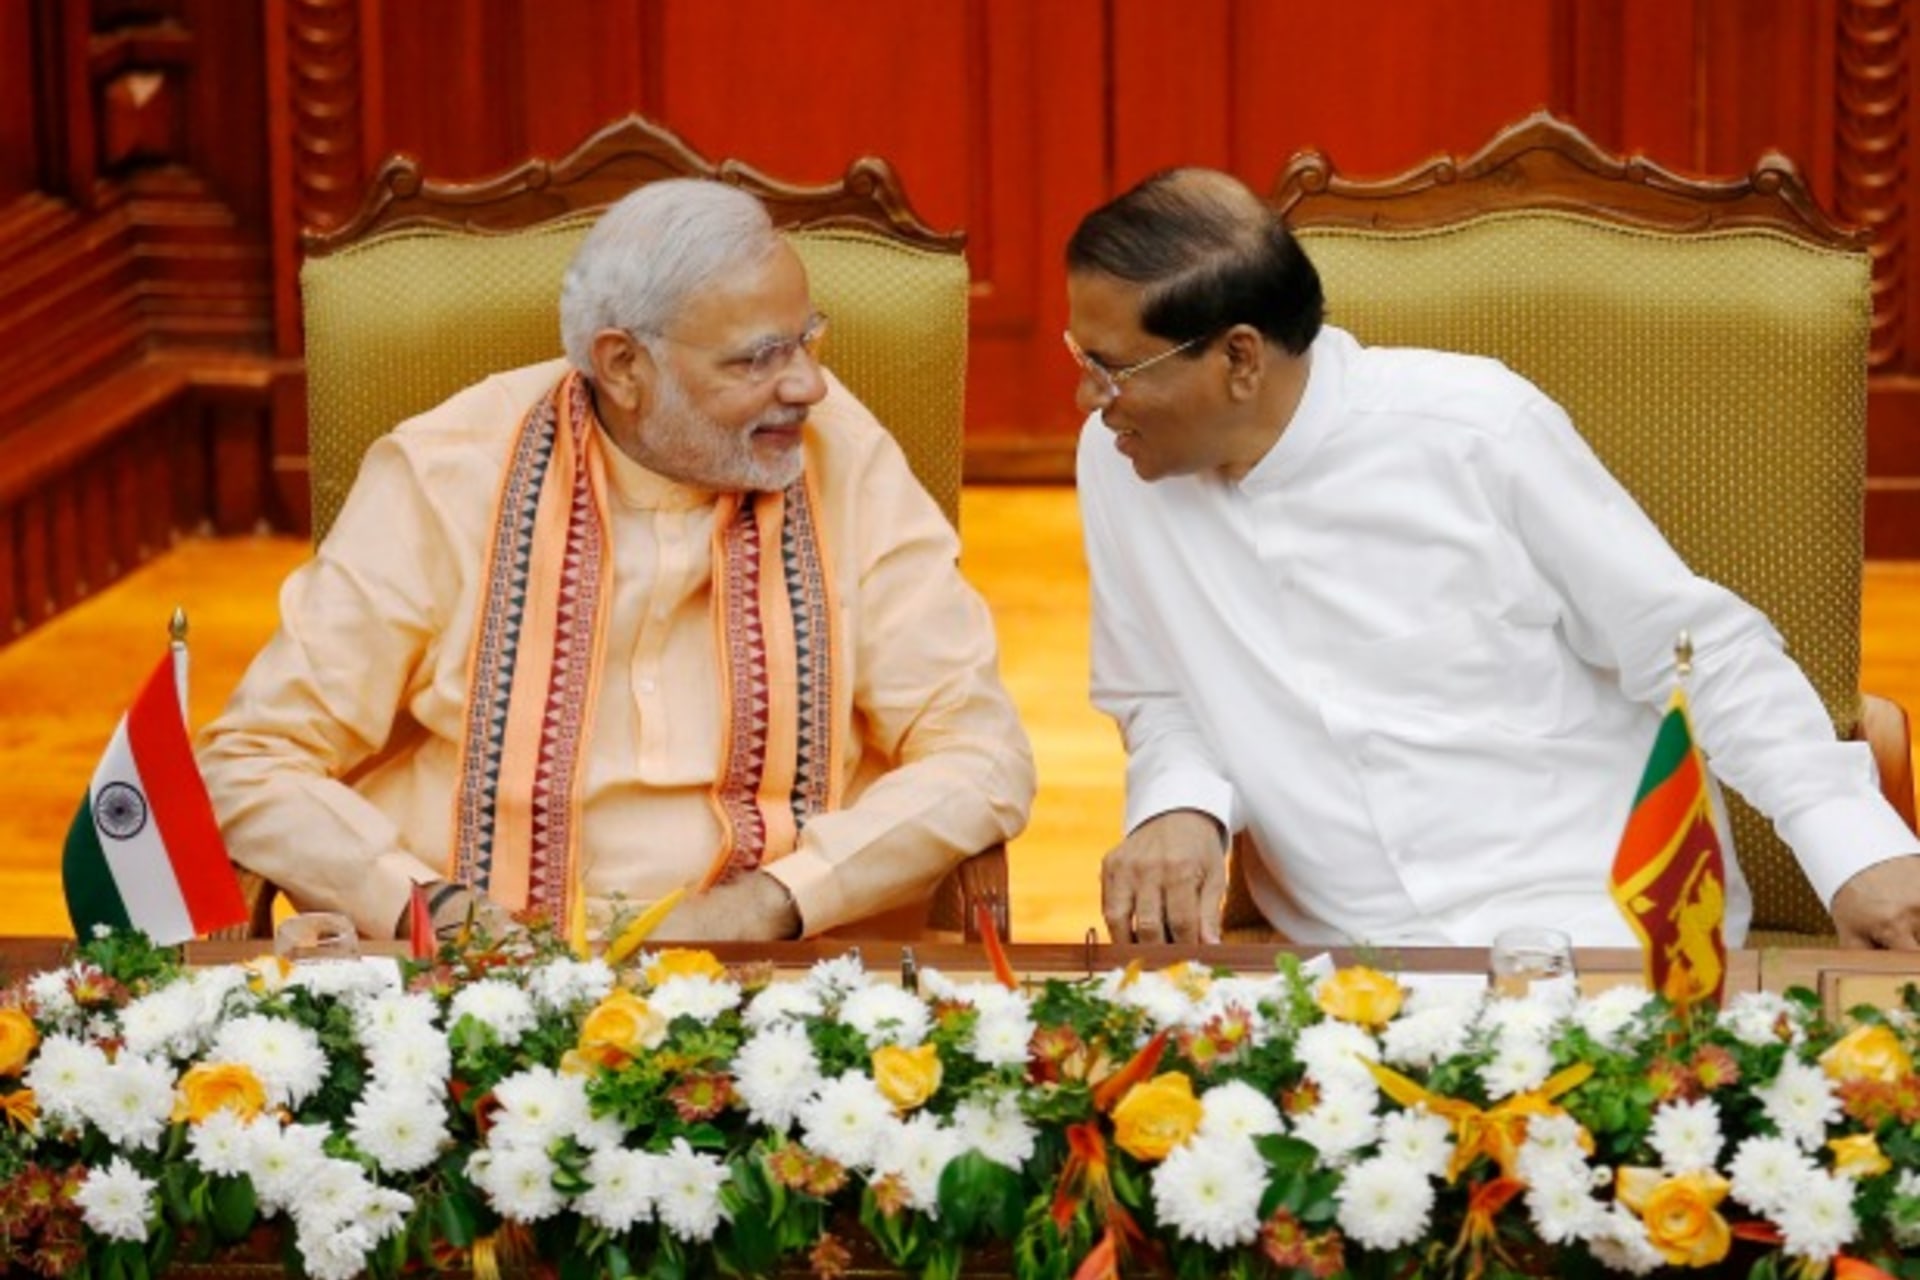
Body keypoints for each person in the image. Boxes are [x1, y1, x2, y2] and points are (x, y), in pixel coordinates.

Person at [1067, 167, 1920, 950]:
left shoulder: (1474, 430)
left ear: (1240, 357)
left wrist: (1855, 846)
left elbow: (1697, 650)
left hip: (1597, 927)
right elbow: (1160, 694)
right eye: (1081, 360)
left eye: (1110, 370)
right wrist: (1180, 804)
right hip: (1340, 966)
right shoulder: (1118, 462)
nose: (1086, 398)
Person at [199, 179, 1034, 943]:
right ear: (624, 366)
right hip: (469, 983)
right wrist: (435, 913)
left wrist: (773, 903)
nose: (808, 386)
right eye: (758, 358)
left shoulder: (842, 457)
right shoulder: (445, 473)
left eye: (808, 340)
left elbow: (983, 755)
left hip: (791, 979)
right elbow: (248, 762)